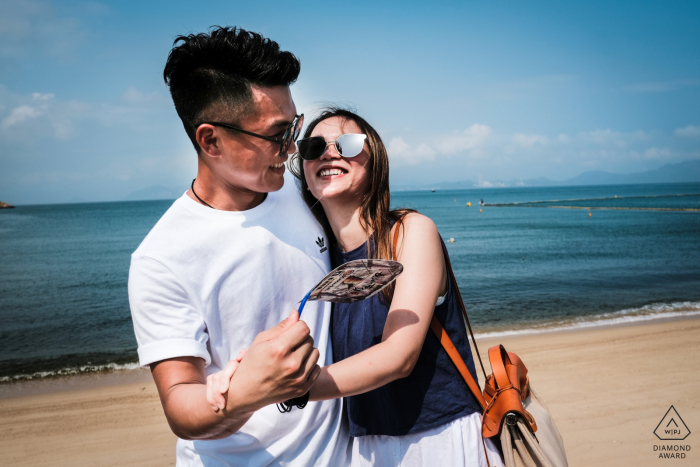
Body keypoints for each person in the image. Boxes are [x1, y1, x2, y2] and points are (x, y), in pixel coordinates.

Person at [128, 28, 348, 466]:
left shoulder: (302, 189)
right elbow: (179, 403)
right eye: (277, 135)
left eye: (294, 127)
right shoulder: (161, 258)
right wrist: (249, 390)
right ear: (210, 141)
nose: (291, 149)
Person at [289, 108, 504, 466]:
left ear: (375, 161)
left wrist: (295, 389)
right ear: (306, 174)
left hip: (439, 440)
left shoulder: (409, 232)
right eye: (314, 146)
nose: (329, 153)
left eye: (347, 143)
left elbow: (398, 356)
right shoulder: (321, 263)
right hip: (364, 449)